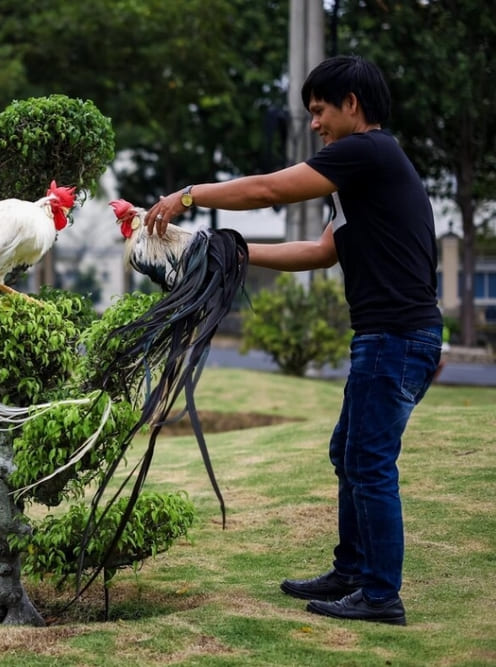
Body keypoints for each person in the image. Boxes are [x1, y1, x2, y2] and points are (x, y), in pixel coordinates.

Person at [143, 55, 442, 626]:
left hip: (395, 338)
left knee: (370, 463)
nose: (315, 124)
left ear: (351, 104)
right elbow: (321, 252)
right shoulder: (367, 170)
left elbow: (268, 189)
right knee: (349, 454)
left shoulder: (367, 151)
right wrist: (234, 252)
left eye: (319, 111)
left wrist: (188, 195)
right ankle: (352, 571)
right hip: (391, 338)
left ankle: (381, 595)